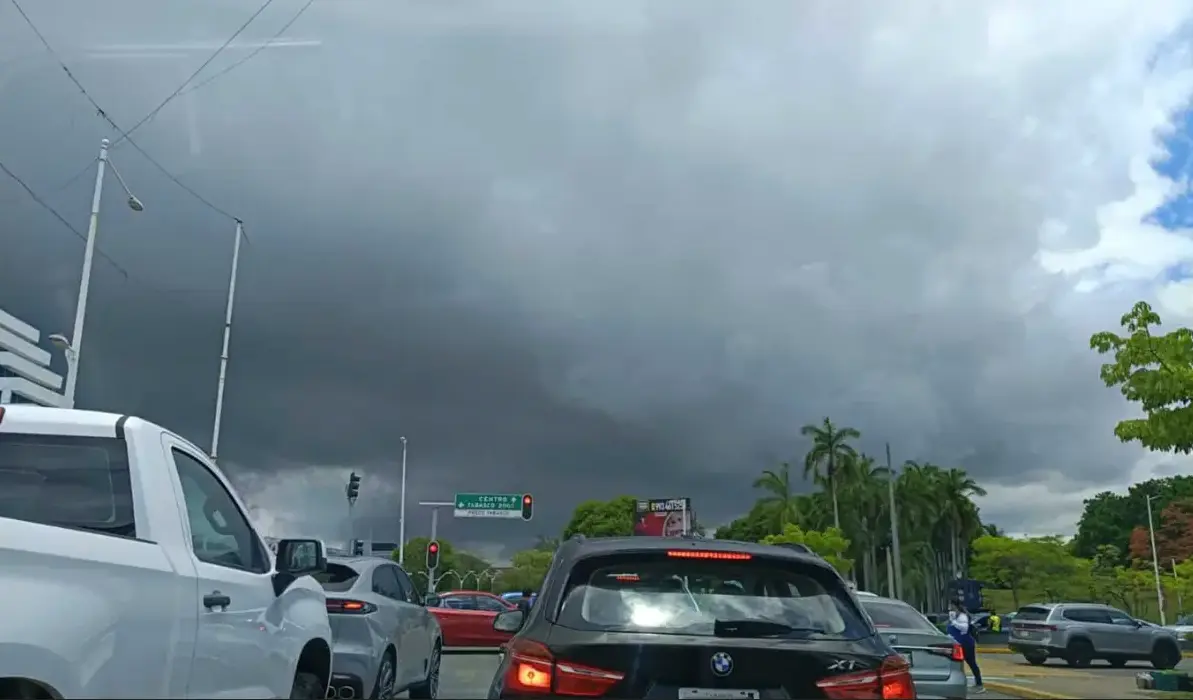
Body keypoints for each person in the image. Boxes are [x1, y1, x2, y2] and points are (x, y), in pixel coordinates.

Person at [948, 599, 985, 694]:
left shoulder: (962, 616)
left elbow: (964, 628)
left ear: (954, 605)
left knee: (971, 663)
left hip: (966, 643)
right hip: (958, 643)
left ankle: (979, 684)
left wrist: (954, 622)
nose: (949, 607)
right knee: (956, 663)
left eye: (951, 604)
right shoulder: (955, 615)